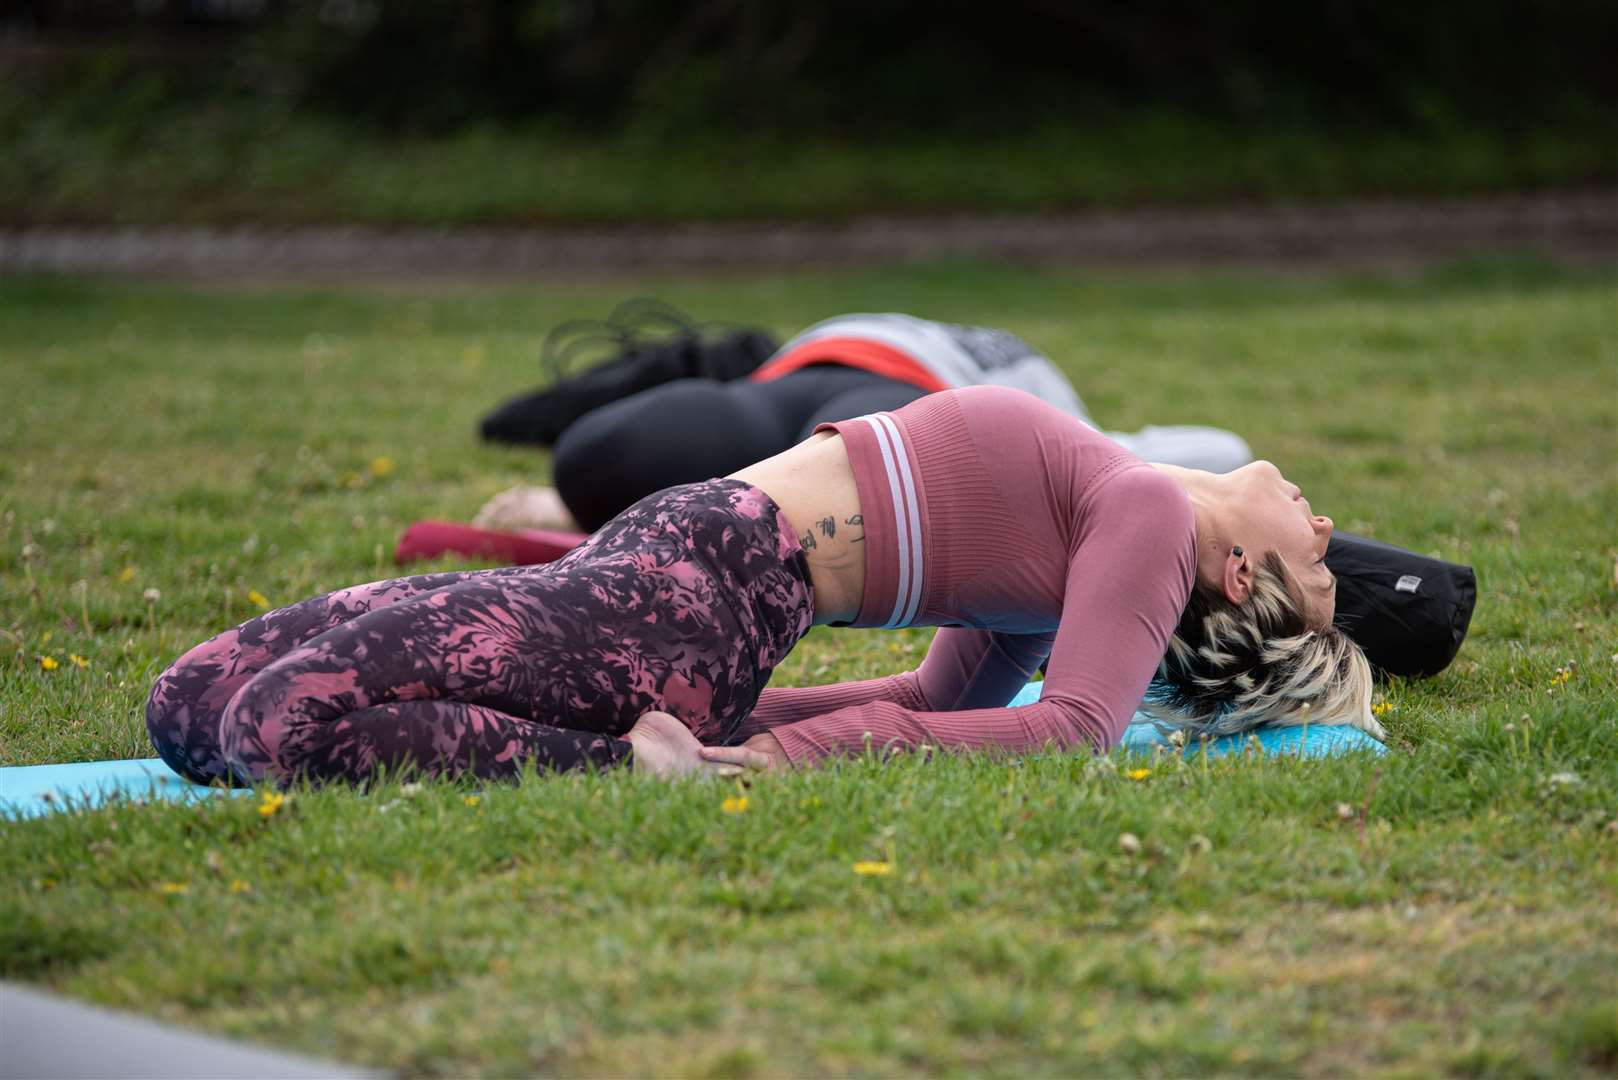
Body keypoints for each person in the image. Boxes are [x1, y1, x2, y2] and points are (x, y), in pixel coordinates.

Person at [146, 386, 1374, 788]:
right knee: (185, 700)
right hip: (656, 577)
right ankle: (659, 742)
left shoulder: (1152, 511)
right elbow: (923, 689)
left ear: (1235, 571)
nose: (1325, 524)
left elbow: (1072, 725)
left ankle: (631, 766)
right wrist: (748, 724)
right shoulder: (1076, 548)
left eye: (1317, 563)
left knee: (277, 718)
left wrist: (785, 760)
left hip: (690, 598)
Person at [474, 312, 1254, 534]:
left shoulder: (1058, 420)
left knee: (844, 486)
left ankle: (642, 520)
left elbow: (1212, 452)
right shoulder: (1057, 408)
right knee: (589, 459)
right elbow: (1221, 448)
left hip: (849, 379)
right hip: (806, 372)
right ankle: (599, 510)